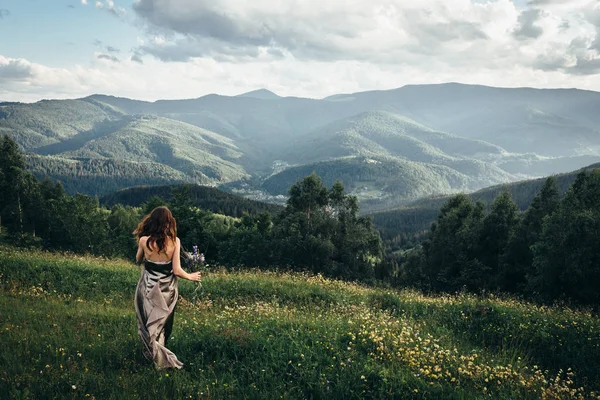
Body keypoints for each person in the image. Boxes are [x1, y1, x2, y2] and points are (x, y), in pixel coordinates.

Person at [133, 206, 201, 369]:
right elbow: (177, 270)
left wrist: (146, 253)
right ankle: (160, 360)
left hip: (148, 286)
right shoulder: (175, 242)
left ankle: (151, 356)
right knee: (162, 324)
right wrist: (191, 276)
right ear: (168, 223)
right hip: (166, 289)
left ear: (152, 221)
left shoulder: (144, 241)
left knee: (147, 321)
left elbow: (138, 259)